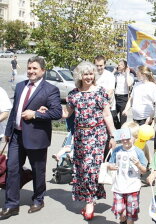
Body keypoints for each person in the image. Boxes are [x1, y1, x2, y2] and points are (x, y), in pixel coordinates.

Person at [0, 56, 62, 220]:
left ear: (42, 70)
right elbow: (14, 110)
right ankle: (11, 204)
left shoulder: (50, 89)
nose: (31, 71)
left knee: (38, 170)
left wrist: (35, 114)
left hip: (36, 137)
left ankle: (38, 199)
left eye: (35, 68)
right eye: (29, 68)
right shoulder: (20, 86)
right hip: (16, 136)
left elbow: (56, 113)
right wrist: (8, 131)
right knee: (12, 169)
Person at [62, 61, 117, 220]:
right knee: (82, 170)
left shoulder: (100, 92)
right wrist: (47, 109)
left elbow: (107, 116)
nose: (88, 77)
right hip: (80, 137)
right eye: (85, 74)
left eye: (91, 74)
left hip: (97, 136)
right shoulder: (74, 94)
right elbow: (66, 113)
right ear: (80, 75)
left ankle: (90, 203)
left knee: (91, 169)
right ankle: (89, 199)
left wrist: (113, 135)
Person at [108, 127, 148, 224]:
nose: (125, 140)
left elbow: (144, 171)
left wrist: (138, 164)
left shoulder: (138, 152)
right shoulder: (117, 150)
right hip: (118, 187)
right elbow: (110, 164)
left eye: (128, 138)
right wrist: (111, 167)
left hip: (133, 187)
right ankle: (123, 220)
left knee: (131, 213)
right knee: (121, 213)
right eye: (123, 137)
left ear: (135, 138)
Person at [114, 59, 134, 128]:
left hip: (124, 98)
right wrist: (114, 71)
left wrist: (127, 73)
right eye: (118, 65)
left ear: (124, 66)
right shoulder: (117, 75)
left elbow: (129, 83)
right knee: (112, 116)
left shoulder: (130, 75)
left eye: (120, 65)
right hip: (116, 97)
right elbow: (108, 80)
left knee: (123, 118)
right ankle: (118, 128)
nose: (118, 66)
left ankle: (122, 133)